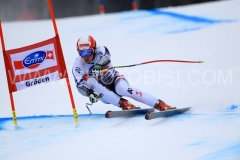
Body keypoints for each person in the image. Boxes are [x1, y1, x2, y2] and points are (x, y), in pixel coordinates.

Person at [72, 35, 176, 111]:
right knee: (88, 80)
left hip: (114, 80)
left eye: (88, 52)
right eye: (81, 53)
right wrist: (89, 93)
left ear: (94, 49)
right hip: (102, 93)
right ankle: (124, 104)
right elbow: (79, 85)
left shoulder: (101, 50)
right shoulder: (77, 65)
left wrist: (98, 67)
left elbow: (106, 58)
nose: (85, 56)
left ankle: (159, 104)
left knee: (123, 89)